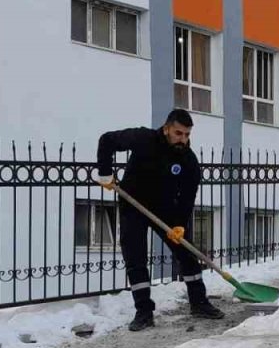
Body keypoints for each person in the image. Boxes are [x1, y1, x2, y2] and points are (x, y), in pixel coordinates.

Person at [95, 109, 224, 332]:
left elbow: (186, 197)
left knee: (186, 251)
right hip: (133, 205)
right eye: (178, 133)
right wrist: (105, 173)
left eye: (186, 134)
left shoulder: (188, 161)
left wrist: (180, 224)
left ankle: (199, 302)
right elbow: (107, 140)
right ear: (166, 129)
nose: (183, 139)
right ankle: (143, 312)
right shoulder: (143, 138)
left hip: (165, 210)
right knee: (135, 258)